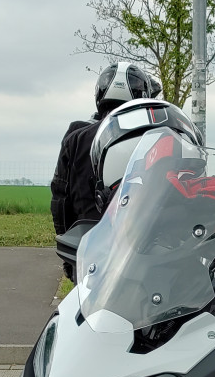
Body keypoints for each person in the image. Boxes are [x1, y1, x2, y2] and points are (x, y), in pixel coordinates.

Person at [50, 62, 161, 277]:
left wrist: (69, 254)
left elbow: (61, 201)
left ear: (100, 94)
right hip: (142, 245)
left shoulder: (76, 137)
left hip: (87, 246)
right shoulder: (155, 137)